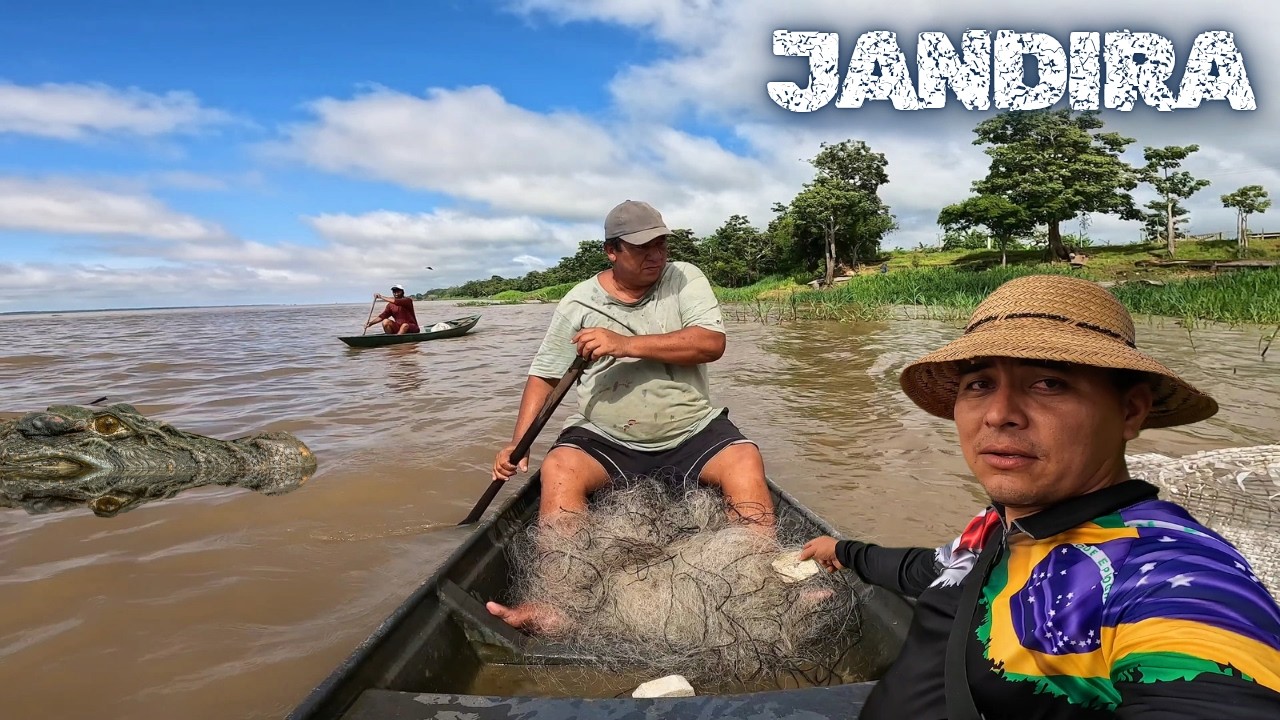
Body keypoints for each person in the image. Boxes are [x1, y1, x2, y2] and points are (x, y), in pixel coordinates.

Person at [800, 274, 1280, 719]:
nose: (999, 414)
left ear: (1130, 411)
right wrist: (844, 551)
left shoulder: (1163, 571)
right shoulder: (997, 527)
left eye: (1049, 383)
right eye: (979, 384)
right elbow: (935, 570)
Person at [486, 199, 774, 630]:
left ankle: (763, 586)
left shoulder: (684, 278)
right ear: (612, 251)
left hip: (692, 430)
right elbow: (545, 375)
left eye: (661, 245)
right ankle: (559, 600)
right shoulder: (578, 302)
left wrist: (623, 344)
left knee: (745, 458)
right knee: (560, 466)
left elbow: (710, 343)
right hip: (606, 439)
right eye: (642, 248)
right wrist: (518, 442)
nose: (656, 256)